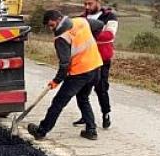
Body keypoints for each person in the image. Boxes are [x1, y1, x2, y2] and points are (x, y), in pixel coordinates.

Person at [27, 10, 104, 141]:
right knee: (83, 98)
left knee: (58, 102)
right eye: (49, 27)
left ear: (58, 19)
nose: (51, 29)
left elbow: (64, 65)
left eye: (52, 25)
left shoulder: (61, 38)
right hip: (95, 68)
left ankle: (41, 131)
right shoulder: (81, 21)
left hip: (79, 74)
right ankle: (91, 130)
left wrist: (56, 81)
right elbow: (100, 24)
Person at [74, 0, 118, 129]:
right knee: (81, 90)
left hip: (102, 58)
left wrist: (89, 35)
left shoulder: (110, 17)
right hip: (86, 58)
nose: (87, 7)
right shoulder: (82, 17)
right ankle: (85, 116)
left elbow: (109, 35)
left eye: (90, 3)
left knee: (101, 88)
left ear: (98, 2)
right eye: (85, 4)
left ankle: (106, 113)